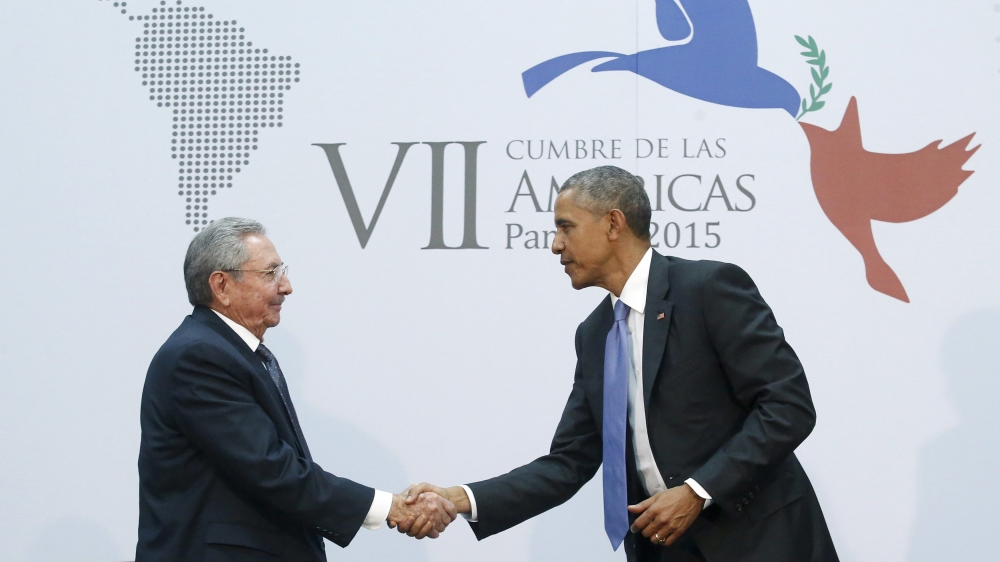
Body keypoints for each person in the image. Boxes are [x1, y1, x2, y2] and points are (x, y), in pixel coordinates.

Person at [401, 166, 839, 561]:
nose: (555, 246)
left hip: (761, 544)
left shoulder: (708, 289)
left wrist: (697, 492)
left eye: (565, 228)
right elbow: (569, 461)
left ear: (613, 223)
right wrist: (457, 499)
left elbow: (788, 407)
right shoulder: (595, 334)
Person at [136, 218, 455, 562]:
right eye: (270, 273)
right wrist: (388, 508)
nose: (286, 287)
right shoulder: (198, 357)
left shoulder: (235, 353)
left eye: (282, 271)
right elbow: (270, 468)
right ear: (222, 285)